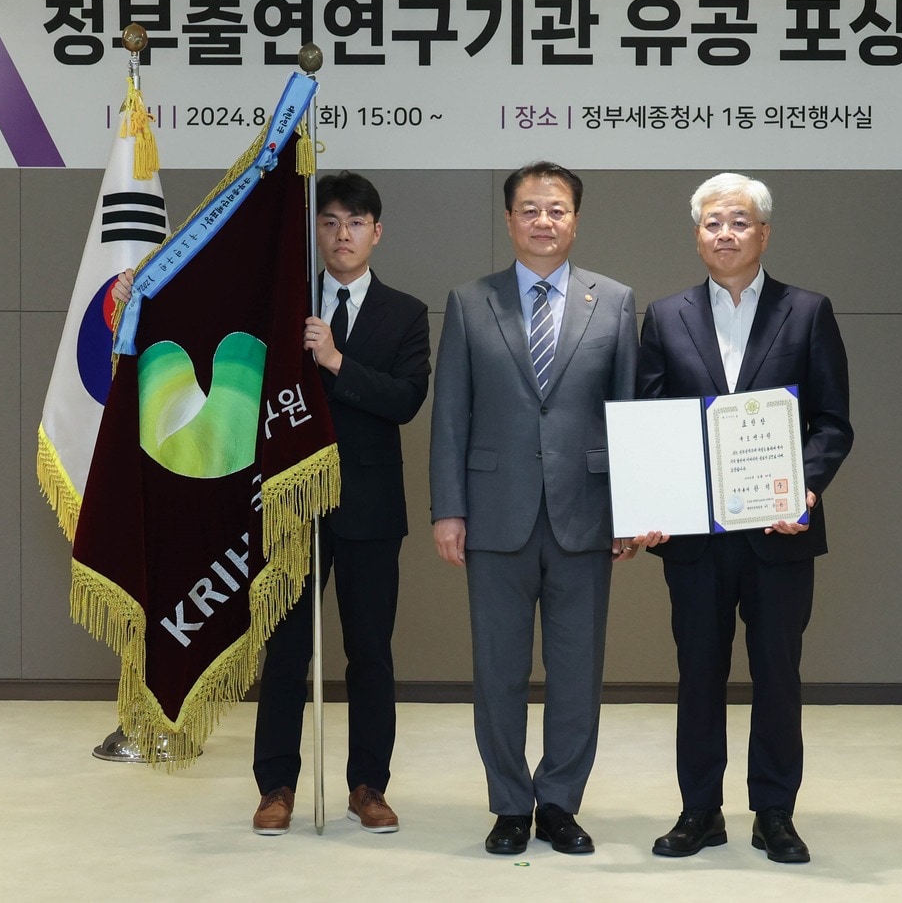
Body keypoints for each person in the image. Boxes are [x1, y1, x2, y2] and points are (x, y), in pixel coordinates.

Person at [634, 173, 852, 864]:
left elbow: (832, 422)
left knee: (777, 673)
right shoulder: (666, 317)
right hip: (694, 539)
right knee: (697, 672)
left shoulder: (807, 311)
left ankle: (775, 812)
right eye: (712, 223)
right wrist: (652, 504)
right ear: (696, 234)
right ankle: (700, 810)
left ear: (764, 233)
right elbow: (651, 423)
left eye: (739, 221)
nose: (724, 233)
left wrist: (806, 487)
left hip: (778, 534)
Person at [429, 161, 638, 856]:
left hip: (587, 512)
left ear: (575, 219)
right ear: (509, 218)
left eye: (555, 209)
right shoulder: (469, 301)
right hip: (493, 514)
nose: (542, 220)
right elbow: (450, 415)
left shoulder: (613, 301)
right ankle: (510, 803)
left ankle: (559, 802)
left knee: (577, 670)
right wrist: (448, 508)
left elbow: (628, 412)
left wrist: (630, 506)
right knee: (498, 669)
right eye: (529, 209)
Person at [250, 172, 431, 836]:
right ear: (316, 231)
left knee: (370, 650)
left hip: (372, 506)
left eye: (355, 222)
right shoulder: (285, 304)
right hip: (294, 504)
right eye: (329, 222)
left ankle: (368, 784)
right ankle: (276, 784)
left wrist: (333, 360)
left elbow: (405, 399)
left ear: (376, 232)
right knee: (287, 648)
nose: (342, 234)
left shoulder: (405, 313)